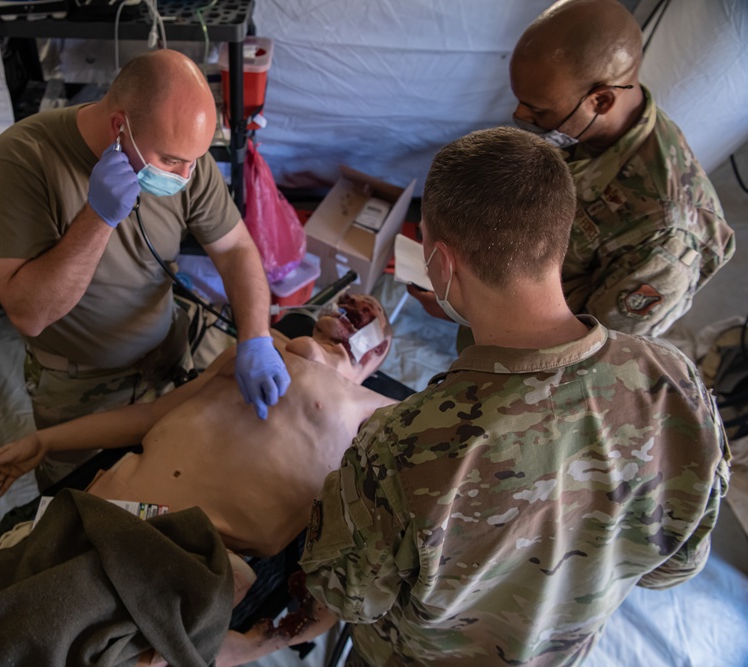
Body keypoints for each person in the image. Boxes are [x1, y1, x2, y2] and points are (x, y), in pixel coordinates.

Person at [235, 127, 730, 667]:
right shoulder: (677, 385)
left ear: (441, 266)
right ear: (558, 241)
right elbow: (673, 566)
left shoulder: (405, 446)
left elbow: (348, 595)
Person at [0, 48, 290, 488]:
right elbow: (30, 314)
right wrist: (98, 218)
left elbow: (236, 247)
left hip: (165, 358)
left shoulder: (185, 156)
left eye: (193, 162)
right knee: (86, 500)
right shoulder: (21, 160)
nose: (185, 176)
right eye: (170, 162)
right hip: (81, 387)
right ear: (118, 127)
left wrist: (256, 336)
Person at [0, 292, 394, 560]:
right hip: (110, 509)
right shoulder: (256, 349)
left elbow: (457, 430)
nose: (350, 312)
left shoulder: (377, 414)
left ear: (376, 359)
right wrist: (44, 439)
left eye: (367, 321)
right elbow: (149, 418)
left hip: (191, 557)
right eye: (342, 308)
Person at [409, 0, 734, 339]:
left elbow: (590, 353)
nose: (522, 116)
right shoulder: (583, 129)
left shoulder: (666, 228)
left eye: (539, 109)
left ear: (601, 101)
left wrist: (466, 309)